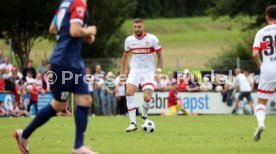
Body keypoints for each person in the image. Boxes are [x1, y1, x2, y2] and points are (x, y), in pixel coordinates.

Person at [13, 0, 98, 153]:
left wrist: (81, 34)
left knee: (84, 100)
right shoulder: (78, 2)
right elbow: (74, 31)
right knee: (59, 105)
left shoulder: (65, 3)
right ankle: (24, 134)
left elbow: (53, 28)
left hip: (71, 60)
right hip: (66, 61)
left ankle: (78, 146)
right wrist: (89, 30)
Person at [120, 18, 163, 132]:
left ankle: (144, 115)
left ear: (144, 27)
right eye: (135, 27)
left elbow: (159, 55)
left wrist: (158, 71)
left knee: (147, 97)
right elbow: (124, 57)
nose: (137, 28)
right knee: (129, 92)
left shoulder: (152, 39)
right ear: (133, 27)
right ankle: (133, 123)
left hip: (148, 72)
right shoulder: (129, 40)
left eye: (139, 26)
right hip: (134, 71)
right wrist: (122, 73)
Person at [252, 5, 276, 141]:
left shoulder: (261, 32)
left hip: (268, 69)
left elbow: (255, 53)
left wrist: (261, 65)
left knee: (261, 101)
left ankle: (261, 123)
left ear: (267, 17)